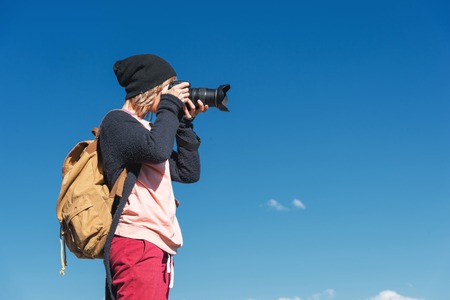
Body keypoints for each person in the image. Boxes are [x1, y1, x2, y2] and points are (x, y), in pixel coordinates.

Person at [99, 54, 208, 300]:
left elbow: (189, 172)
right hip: (136, 240)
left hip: (158, 245)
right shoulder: (117, 122)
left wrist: (183, 124)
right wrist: (170, 106)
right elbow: (157, 150)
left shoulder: (150, 131)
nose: (174, 94)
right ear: (153, 87)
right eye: (169, 87)